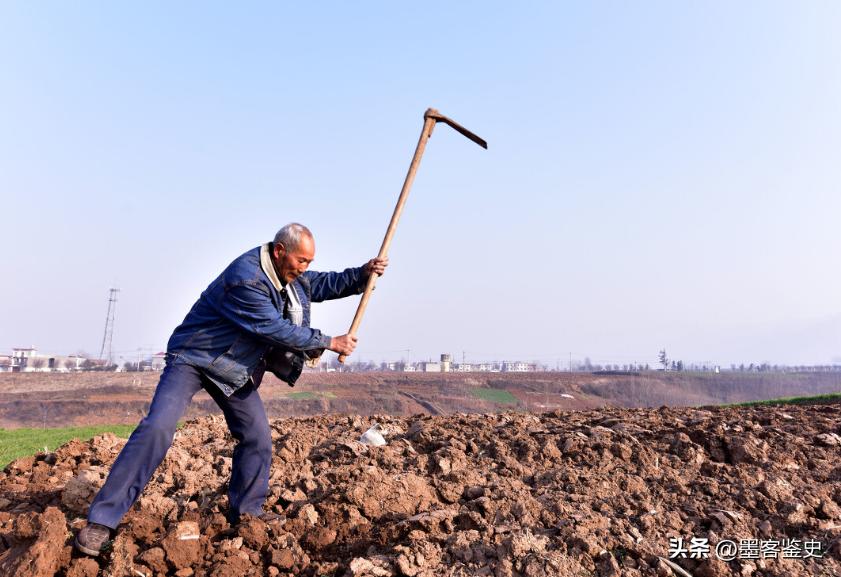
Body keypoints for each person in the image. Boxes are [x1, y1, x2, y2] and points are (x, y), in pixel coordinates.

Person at [74, 223, 387, 556]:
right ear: (280, 251)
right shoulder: (246, 278)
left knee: (257, 438)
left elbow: (318, 284)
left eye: (309, 261)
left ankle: (247, 515)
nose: (305, 268)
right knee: (158, 427)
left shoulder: (289, 275)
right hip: (193, 357)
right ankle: (101, 521)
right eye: (301, 261)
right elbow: (272, 328)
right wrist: (328, 341)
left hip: (236, 367)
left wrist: (361, 275)